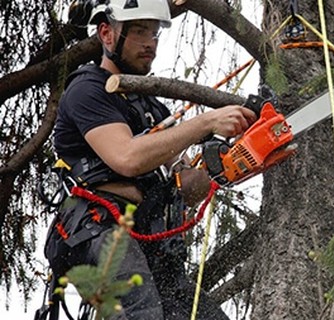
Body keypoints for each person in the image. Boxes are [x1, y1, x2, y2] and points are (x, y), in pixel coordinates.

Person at [43, 0, 256, 319]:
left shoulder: (152, 108)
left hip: (152, 241)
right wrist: (205, 123)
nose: (150, 43)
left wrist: (221, 164)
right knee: (142, 313)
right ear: (107, 33)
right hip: (99, 230)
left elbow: (188, 184)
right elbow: (126, 158)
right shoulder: (88, 89)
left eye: (154, 34)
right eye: (140, 31)